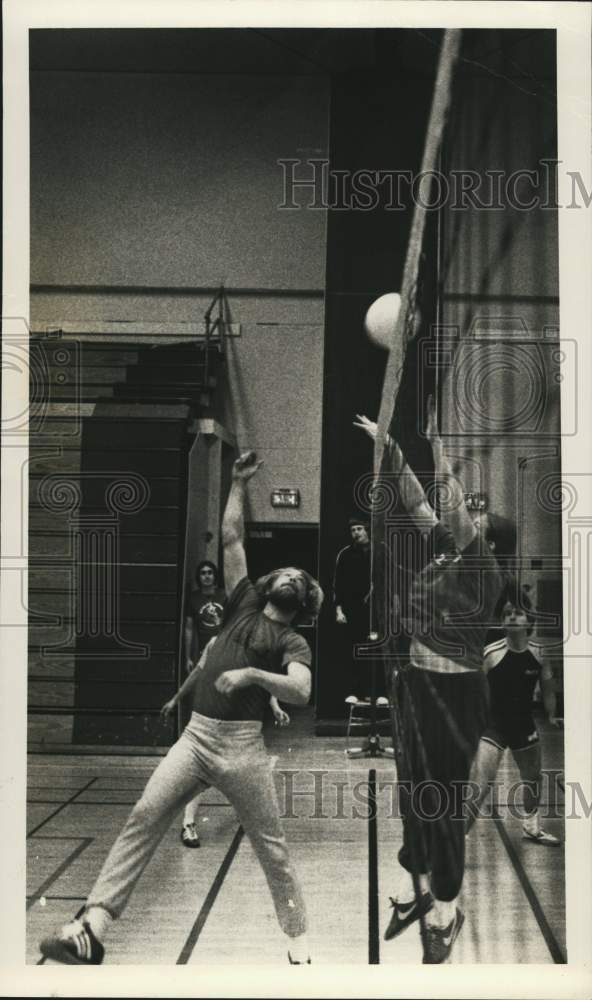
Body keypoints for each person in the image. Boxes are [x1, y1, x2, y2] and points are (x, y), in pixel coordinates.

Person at [40, 450, 323, 966]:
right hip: (196, 737)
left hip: (241, 750)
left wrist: (255, 675)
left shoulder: (292, 640)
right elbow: (233, 536)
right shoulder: (241, 601)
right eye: (284, 572)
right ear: (267, 585)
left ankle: (299, 946)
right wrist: (237, 483)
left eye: (299, 580)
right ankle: (93, 927)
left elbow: (301, 692)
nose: (290, 577)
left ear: (302, 600)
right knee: (145, 814)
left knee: (271, 850)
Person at [354, 402, 513, 963]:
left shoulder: (483, 569)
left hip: (455, 695)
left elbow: (445, 497)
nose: (463, 521)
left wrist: (442, 452)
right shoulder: (447, 552)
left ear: (489, 541)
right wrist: (391, 448)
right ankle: (411, 888)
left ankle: (446, 908)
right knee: (414, 796)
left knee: (440, 803)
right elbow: (418, 501)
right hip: (418, 687)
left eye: (474, 522)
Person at [165, 636, 291, 848]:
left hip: (241, 723)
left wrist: (275, 708)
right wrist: (177, 698)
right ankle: (188, 824)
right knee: (200, 775)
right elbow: (197, 672)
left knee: (245, 770)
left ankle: (248, 816)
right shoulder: (215, 643)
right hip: (213, 718)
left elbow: (263, 682)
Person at [466, 579, 561, 844]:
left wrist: (552, 715)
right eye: (507, 613)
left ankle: (531, 826)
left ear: (528, 618)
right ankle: (453, 840)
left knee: (532, 777)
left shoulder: (540, 653)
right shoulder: (491, 654)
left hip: (523, 725)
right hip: (493, 726)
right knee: (480, 785)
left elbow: (549, 687)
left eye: (517, 612)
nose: (511, 616)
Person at [180, 560, 227, 846]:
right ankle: (188, 823)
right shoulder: (195, 600)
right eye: (203, 573)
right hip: (205, 663)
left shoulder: (225, 598)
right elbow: (189, 629)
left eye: (210, 572)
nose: (207, 576)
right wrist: (189, 655)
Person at [333, 516, 387, 704]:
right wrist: (339, 610)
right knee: (355, 651)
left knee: (378, 650)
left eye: (359, 529)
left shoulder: (381, 552)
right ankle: (355, 691)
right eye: (353, 530)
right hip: (353, 611)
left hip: (377, 611)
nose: (355, 533)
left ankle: (379, 693)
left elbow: (392, 580)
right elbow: (338, 585)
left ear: (367, 530)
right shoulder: (346, 554)